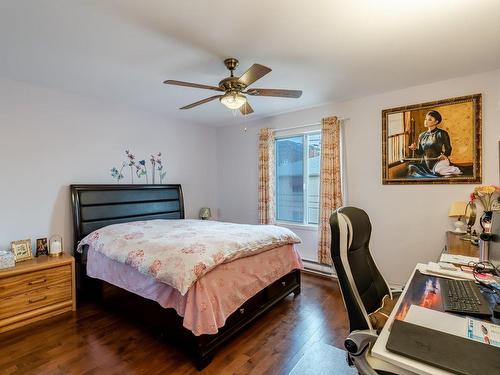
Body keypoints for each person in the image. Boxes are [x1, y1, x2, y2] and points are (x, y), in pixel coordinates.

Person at [407, 110, 460, 177]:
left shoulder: (442, 133)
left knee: (439, 171)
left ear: (436, 122)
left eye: (430, 120)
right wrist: (414, 148)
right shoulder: (422, 135)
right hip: (426, 163)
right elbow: (420, 152)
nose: (426, 121)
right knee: (411, 167)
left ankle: (451, 170)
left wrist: (444, 155)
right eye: (425, 119)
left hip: (439, 161)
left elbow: (448, 149)